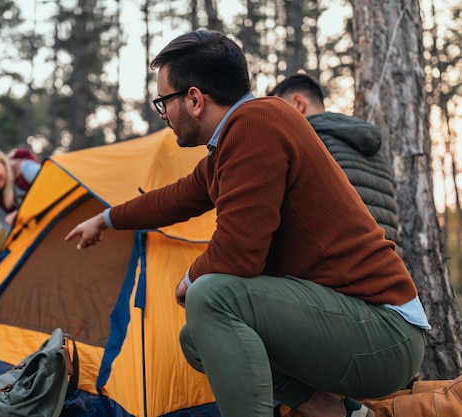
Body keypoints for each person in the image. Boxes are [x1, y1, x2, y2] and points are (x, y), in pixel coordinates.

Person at [65, 30, 430, 417]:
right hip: (355, 325)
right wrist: (104, 219)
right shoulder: (236, 140)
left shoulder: (257, 123)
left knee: (210, 295)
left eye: (163, 101)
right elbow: (173, 199)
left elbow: (239, 254)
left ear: (193, 99)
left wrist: (190, 278)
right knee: (196, 338)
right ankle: (333, 410)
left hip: (386, 331)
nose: (163, 114)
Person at [268, 73, 401, 246]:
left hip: (341, 266)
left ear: (298, 104)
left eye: (278, 112)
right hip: (390, 264)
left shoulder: (306, 144)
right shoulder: (374, 152)